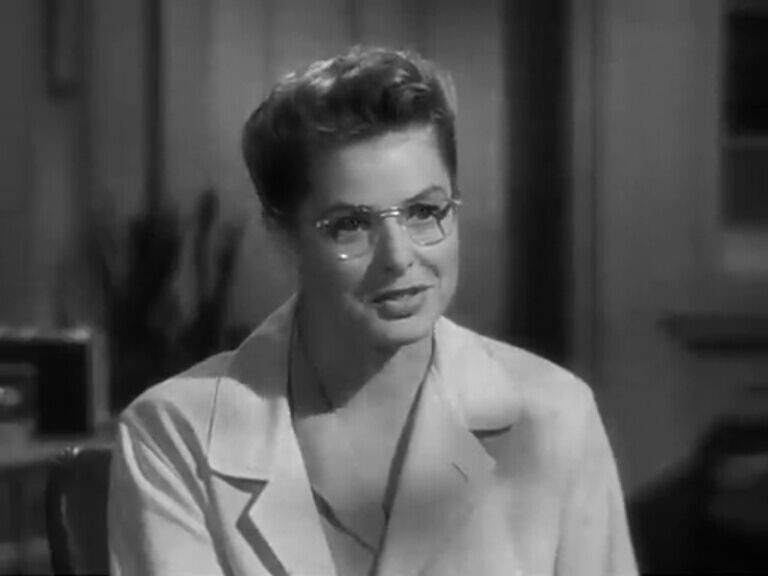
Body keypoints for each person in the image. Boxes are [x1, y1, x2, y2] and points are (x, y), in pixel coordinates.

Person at [108, 46, 637, 576]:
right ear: (284, 238)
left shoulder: (556, 417)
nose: (399, 257)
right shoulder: (178, 436)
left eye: (424, 211)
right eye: (351, 225)